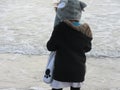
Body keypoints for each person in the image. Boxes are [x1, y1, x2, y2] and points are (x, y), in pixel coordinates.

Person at [46, 0, 93, 90]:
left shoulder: (60, 28)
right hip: (78, 70)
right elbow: (88, 48)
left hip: (61, 70)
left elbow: (50, 46)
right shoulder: (85, 30)